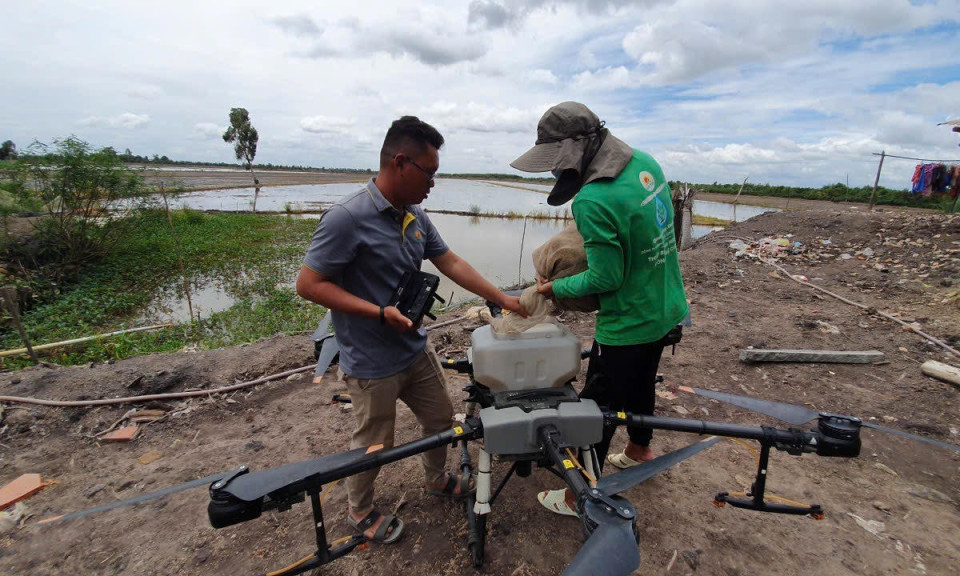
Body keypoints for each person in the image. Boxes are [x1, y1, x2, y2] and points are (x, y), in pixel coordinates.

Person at [296, 116, 527, 543]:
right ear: (400, 162)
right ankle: (359, 509)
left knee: (441, 420)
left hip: (415, 349)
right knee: (373, 442)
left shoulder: (416, 215)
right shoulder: (346, 218)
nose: (433, 184)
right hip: (370, 361)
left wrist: (504, 298)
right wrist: (378, 313)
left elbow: (451, 262)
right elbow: (309, 285)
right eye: (430, 173)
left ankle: (435, 478)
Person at [509, 102, 689, 517]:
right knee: (642, 382)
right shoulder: (644, 164)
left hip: (628, 321)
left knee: (595, 409)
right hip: (665, 305)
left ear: (575, 151)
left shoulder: (592, 199)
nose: (555, 171)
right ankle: (640, 448)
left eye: (556, 163)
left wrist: (555, 287)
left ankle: (578, 495)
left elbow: (605, 279)